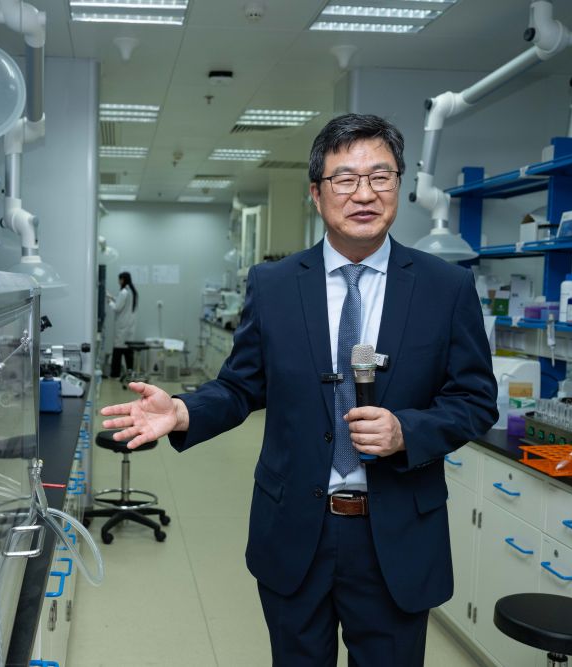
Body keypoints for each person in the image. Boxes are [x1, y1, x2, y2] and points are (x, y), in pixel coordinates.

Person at [100, 113, 497, 666]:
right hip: (295, 531)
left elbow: (475, 400)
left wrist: (408, 431)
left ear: (398, 184)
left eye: (380, 177)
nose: (364, 193)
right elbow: (241, 386)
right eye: (345, 179)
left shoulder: (445, 287)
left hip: (397, 534)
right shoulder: (275, 285)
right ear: (316, 192)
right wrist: (184, 411)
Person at [107, 271, 139, 379]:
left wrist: (109, 302)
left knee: (118, 351)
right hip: (129, 326)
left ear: (123, 280)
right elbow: (121, 302)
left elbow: (117, 307)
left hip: (122, 326)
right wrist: (112, 297)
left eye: (119, 279)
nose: (118, 282)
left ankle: (115, 374)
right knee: (128, 351)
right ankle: (130, 373)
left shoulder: (124, 292)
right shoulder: (131, 292)